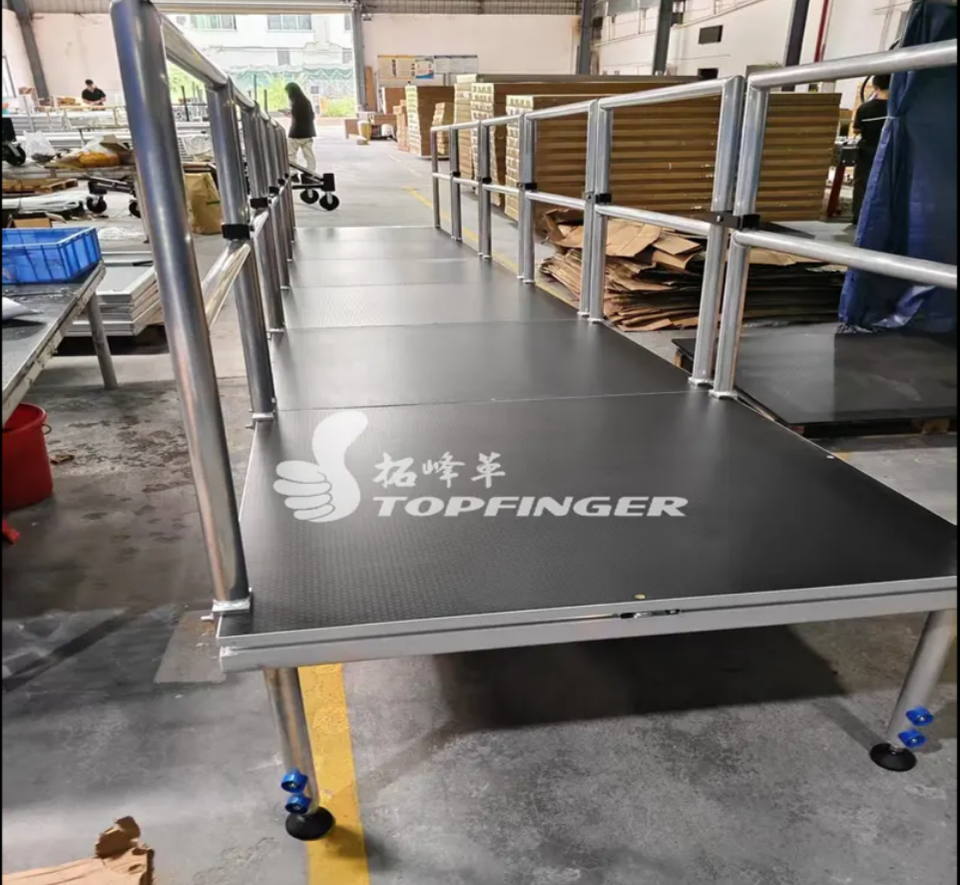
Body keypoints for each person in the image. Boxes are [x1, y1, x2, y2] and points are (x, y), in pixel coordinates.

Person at [850, 73, 892, 226]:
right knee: (885, 184)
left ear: (875, 86)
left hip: (868, 149)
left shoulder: (865, 108)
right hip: (888, 150)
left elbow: (856, 130)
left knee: (862, 183)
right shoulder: (896, 109)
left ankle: (858, 216)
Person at [285, 82, 316, 174]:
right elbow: (311, 116)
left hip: (296, 133)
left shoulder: (295, 103)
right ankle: (311, 172)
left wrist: (289, 114)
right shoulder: (306, 101)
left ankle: (293, 171)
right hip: (308, 133)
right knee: (309, 155)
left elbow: (296, 119)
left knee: (291, 154)